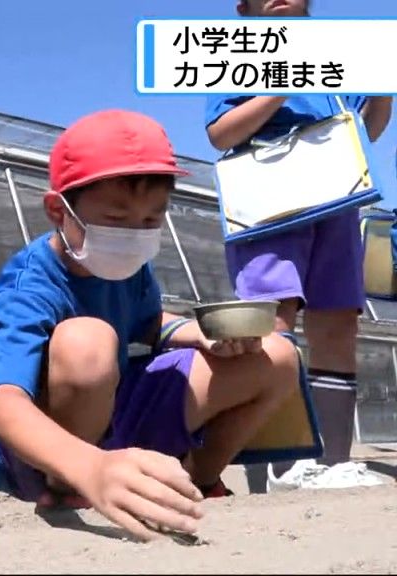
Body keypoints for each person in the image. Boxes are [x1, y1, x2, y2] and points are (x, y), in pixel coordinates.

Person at [0, 109, 302, 542]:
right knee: (88, 341)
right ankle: (70, 487)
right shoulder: (26, 287)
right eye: (117, 219)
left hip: (114, 412)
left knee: (277, 353)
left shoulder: (130, 269)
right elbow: (5, 405)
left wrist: (200, 333)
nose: (134, 234)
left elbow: (147, 325)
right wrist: (88, 467)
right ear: (58, 209)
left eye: (150, 220)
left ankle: (196, 480)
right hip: (38, 452)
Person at [205, 0, 393, 486]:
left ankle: (331, 461)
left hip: (338, 196)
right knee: (274, 318)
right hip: (270, 199)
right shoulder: (231, 49)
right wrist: (280, 83)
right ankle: (278, 461)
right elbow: (220, 131)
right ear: (244, 7)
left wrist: (383, 91)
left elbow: (365, 128)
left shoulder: (343, 48)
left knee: (337, 324)